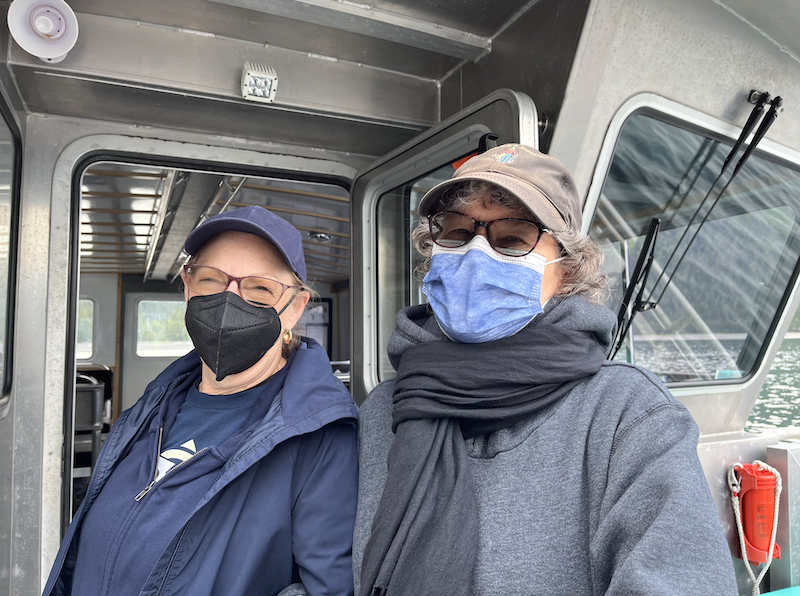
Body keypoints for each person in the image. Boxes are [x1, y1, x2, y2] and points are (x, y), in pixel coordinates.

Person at [353, 144, 738, 595]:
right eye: (456, 234)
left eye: (512, 239)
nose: (476, 254)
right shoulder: (385, 409)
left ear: (569, 270)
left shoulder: (627, 414)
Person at [43, 206, 359, 596]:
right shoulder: (153, 404)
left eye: (260, 288)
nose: (230, 300)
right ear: (188, 288)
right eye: (211, 280)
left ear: (294, 309)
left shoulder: (322, 435)